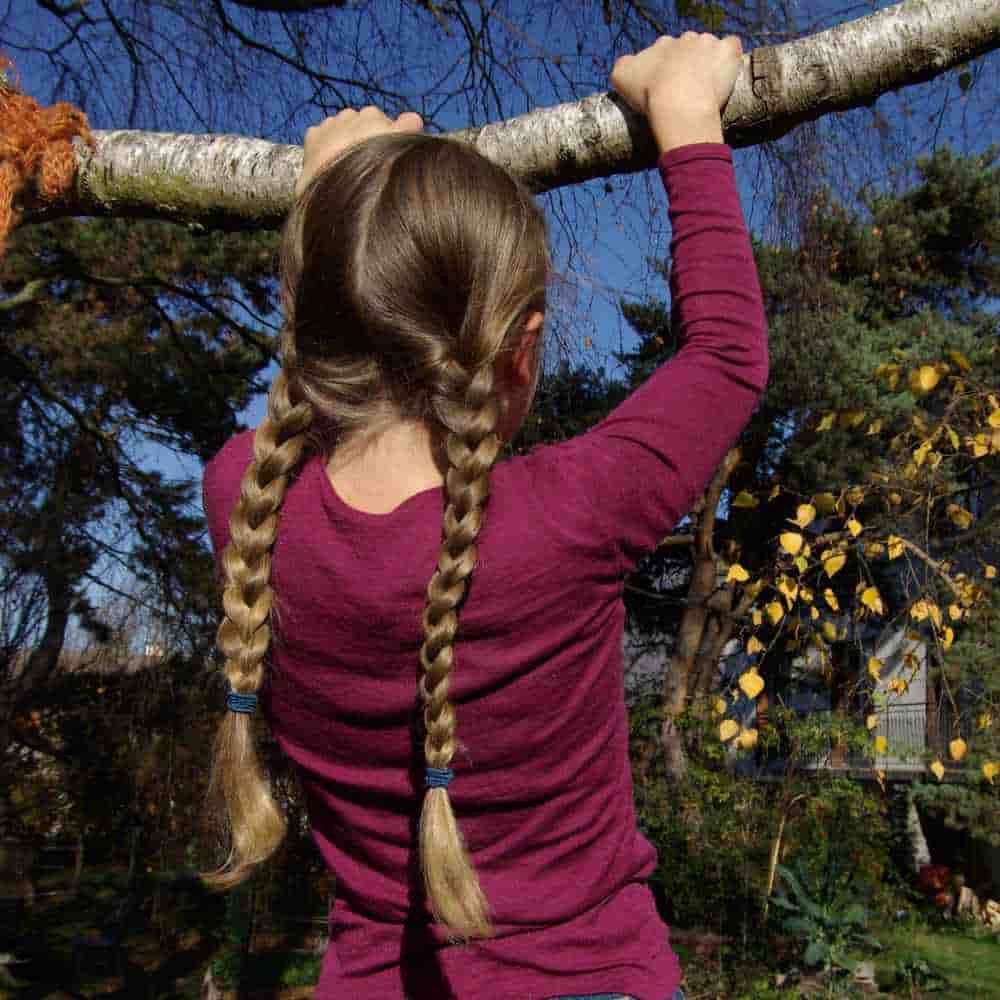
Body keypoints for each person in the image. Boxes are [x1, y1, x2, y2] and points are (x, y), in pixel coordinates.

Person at [201, 29, 765, 1000]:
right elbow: (724, 358)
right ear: (521, 350)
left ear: (320, 313)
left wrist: (337, 201)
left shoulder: (243, 507)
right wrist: (685, 115)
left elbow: (302, 386)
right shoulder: (572, 516)